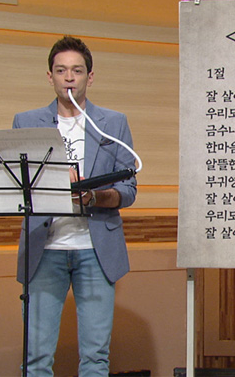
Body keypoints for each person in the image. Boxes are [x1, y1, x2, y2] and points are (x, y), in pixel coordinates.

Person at [12, 35, 137, 376]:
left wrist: (92, 196)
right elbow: (19, 188)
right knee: (35, 358)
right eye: (61, 70)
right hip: (44, 249)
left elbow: (128, 191)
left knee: (96, 357)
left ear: (90, 77)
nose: (69, 77)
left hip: (95, 250)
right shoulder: (25, 121)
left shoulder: (113, 123)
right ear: (49, 76)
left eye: (77, 71)